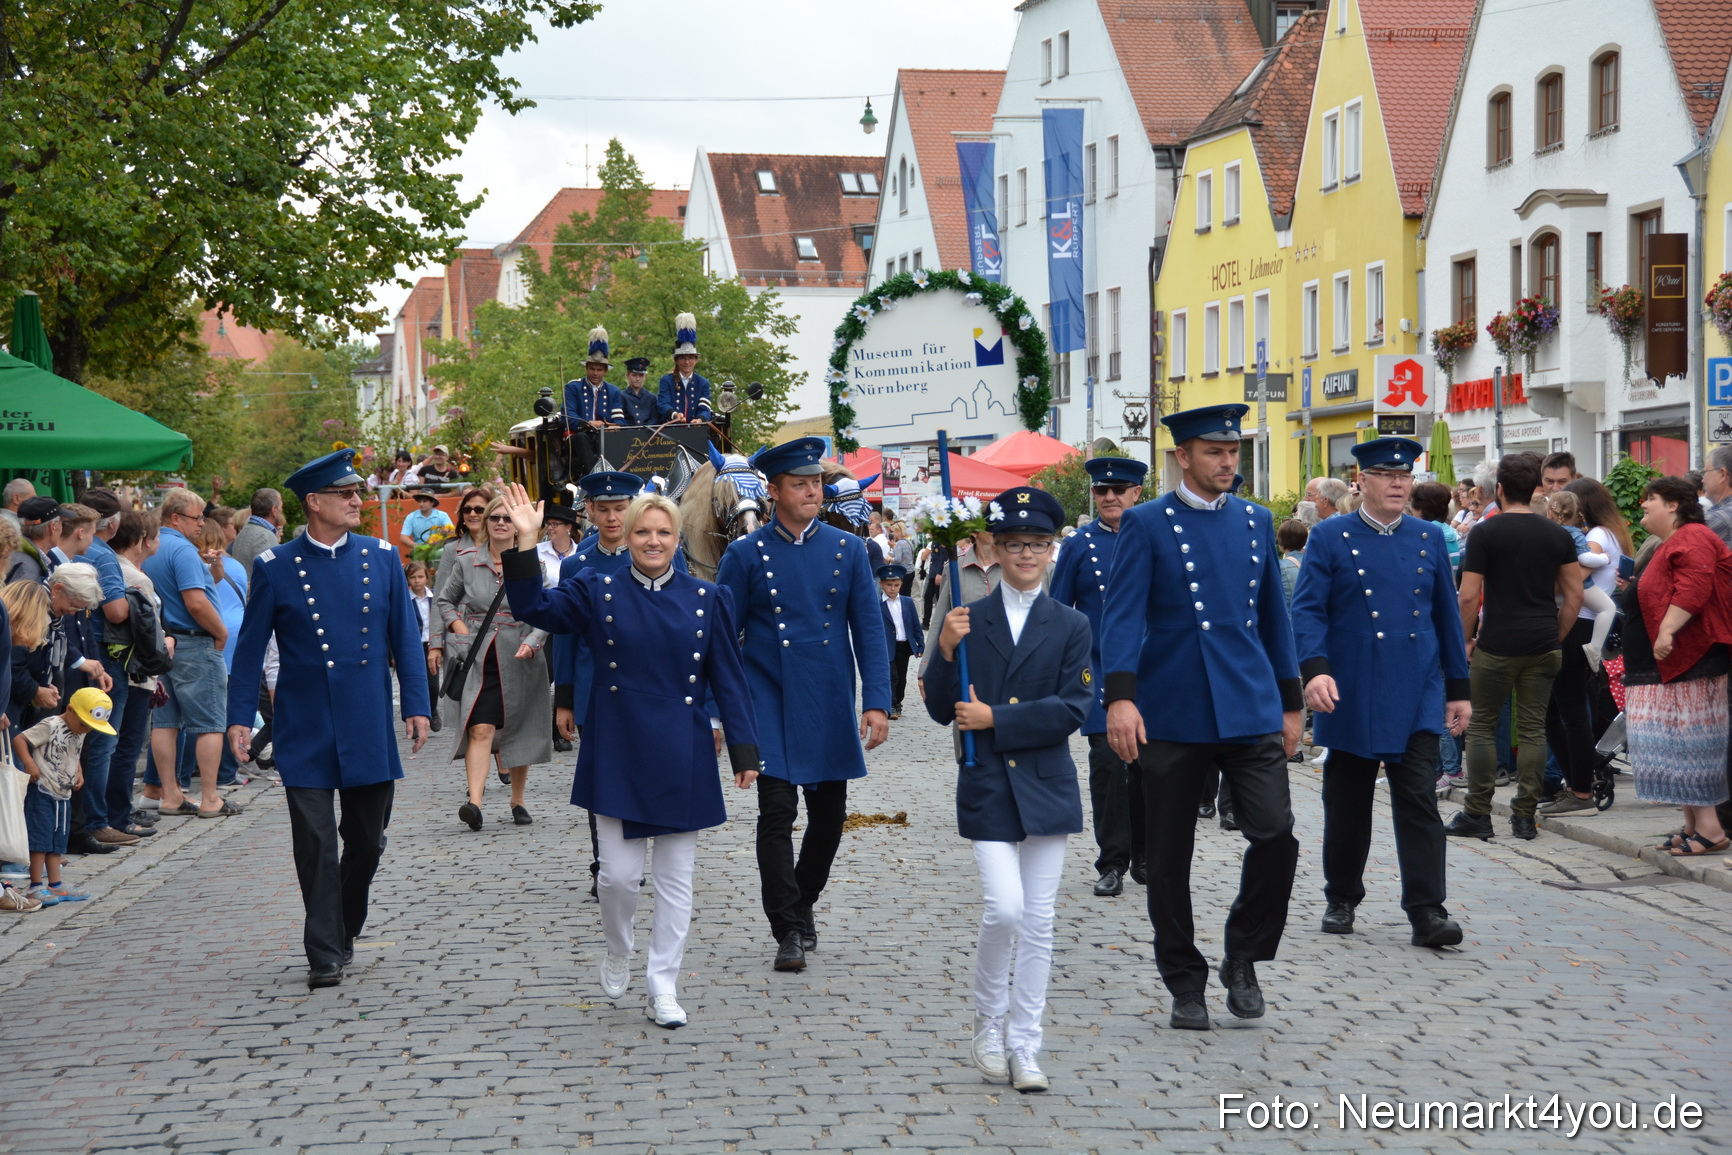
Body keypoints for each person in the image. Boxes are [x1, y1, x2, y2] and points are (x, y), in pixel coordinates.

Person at [499, 485, 760, 1028]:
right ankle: (619, 947)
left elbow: (730, 681)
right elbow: (532, 607)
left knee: (675, 879)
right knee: (616, 878)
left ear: (677, 538)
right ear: (624, 533)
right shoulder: (597, 589)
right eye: (643, 531)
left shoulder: (708, 599)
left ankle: (663, 984)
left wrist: (743, 749)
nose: (653, 541)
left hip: (682, 750)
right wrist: (525, 542)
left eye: (664, 532)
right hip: (618, 746)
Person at [1100, 403, 1301, 1032]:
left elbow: (1273, 616)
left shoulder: (1254, 520)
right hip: (1173, 706)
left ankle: (1243, 954)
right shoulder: (1146, 522)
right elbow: (1123, 615)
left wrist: (1290, 701)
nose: (1227, 462)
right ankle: (1184, 982)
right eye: (1214, 452)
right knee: (1168, 857)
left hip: (1246, 704)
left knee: (1276, 835)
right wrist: (1121, 698)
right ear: (1182, 456)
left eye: (1234, 451)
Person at [226, 448, 431, 988]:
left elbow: (405, 639)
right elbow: (249, 649)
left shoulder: (383, 558)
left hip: (365, 719)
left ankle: (345, 922)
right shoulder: (276, 566)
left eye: (358, 493)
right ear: (314, 503)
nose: (358, 502)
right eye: (346, 495)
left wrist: (416, 705)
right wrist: (239, 716)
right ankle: (323, 948)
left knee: (366, 840)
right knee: (315, 841)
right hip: (306, 722)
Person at [923, 485, 1089, 1094]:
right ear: (994, 546)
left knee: (1040, 921)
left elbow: (1073, 707)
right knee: (1006, 907)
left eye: (1038, 544)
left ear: (1051, 551)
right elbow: (943, 709)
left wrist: (998, 719)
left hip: (1046, 785)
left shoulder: (1071, 624)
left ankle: (1027, 1043)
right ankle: (988, 1023)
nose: (1027, 554)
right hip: (988, 782)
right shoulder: (969, 617)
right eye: (1016, 543)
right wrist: (943, 653)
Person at [716, 436, 891, 973]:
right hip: (765, 696)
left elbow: (868, 629)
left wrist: (878, 702)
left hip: (826, 695)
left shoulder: (848, 549)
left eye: (816, 482)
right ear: (774, 491)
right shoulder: (744, 554)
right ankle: (788, 927)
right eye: (800, 484)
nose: (813, 491)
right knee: (776, 813)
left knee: (829, 817)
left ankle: (804, 901)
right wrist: (717, 711)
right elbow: (722, 637)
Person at [1290, 438, 1471, 948]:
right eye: (1386, 474)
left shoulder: (1428, 537)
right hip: (1349, 687)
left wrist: (1458, 687)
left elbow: (1445, 615)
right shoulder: (1328, 536)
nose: (1397, 483)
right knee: (1346, 801)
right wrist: (1315, 671)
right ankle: (1341, 895)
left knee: (1418, 800)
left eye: (1405, 475)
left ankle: (1427, 909)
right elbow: (1308, 611)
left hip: (1415, 686)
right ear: (1361, 480)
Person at [549, 471, 691, 889]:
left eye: (620, 507)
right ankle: (605, 863)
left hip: (655, 688)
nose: (612, 517)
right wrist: (565, 699)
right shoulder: (577, 564)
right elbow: (566, 635)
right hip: (598, 691)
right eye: (603, 509)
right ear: (588, 512)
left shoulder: (662, 553)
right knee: (603, 777)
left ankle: (651, 851)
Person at [1447, 454, 1581, 841]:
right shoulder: (1557, 535)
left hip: (1497, 644)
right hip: (1542, 642)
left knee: (1483, 728)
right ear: (1538, 488)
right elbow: (1574, 596)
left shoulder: (1486, 533)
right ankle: (1524, 817)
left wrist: (1466, 640)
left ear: (1500, 490)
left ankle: (1478, 813)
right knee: (1534, 729)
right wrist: (1555, 635)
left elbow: (1469, 597)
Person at [1048, 455, 1147, 898]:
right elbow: (1057, 610)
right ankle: (1112, 861)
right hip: (1099, 671)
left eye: (1118, 490)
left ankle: (1146, 853)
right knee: (1108, 764)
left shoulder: (1155, 536)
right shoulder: (1079, 544)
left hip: (1150, 669)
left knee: (1148, 768)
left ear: (1136, 493)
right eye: (1101, 491)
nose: (1109, 497)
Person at [1622, 476, 1732, 857]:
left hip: (1690, 661)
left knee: (1689, 746)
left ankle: (1710, 828)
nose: (1643, 506)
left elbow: (1695, 587)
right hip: (1669, 667)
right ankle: (1693, 825)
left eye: (1649, 499)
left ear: (1673, 505)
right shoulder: (1675, 541)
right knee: (1672, 748)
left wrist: (1667, 632)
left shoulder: (1694, 535)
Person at [435, 495, 551, 830]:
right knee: (480, 726)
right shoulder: (467, 560)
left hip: (519, 655)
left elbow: (543, 612)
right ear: (485, 524)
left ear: (518, 526)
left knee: (519, 726)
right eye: (494, 518)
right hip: (479, 655)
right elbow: (445, 600)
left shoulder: (532, 565)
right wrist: (458, 627)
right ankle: (474, 802)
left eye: (507, 518)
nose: (500, 523)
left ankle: (517, 800)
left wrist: (532, 642)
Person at [143, 487, 235, 820]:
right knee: (209, 723)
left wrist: (213, 576)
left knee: (165, 722)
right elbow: (195, 603)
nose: (202, 525)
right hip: (194, 643)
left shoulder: (153, 546)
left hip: (162, 642)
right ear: (176, 517)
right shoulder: (182, 550)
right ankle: (210, 798)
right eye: (197, 518)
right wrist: (221, 632)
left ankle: (170, 795)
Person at [15, 687, 115, 906]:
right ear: (70, 709)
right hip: (42, 790)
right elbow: (21, 740)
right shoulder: (51, 725)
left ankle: (56, 884)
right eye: (84, 724)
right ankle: (35, 886)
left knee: (58, 840)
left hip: (63, 793)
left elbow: (74, 754)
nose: (86, 730)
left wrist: (78, 772)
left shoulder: (78, 730)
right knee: (40, 840)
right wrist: (30, 764)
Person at [105, 512, 164, 840]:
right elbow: (149, 631)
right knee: (127, 746)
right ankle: (119, 813)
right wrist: (165, 647)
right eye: (155, 536)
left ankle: (120, 808)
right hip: (135, 672)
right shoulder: (135, 578)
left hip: (127, 670)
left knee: (121, 746)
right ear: (143, 539)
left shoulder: (122, 569)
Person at [1565, 477, 1631, 671]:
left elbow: (1576, 575)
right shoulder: (1611, 531)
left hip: (1582, 619)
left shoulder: (1596, 535)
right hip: (1589, 619)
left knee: (1569, 691)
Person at [877, 564, 922, 719]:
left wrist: (920, 643)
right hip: (886, 646)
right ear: (881, 584)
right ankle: (890, 703)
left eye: (896, 585)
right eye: (889, 585)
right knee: (892, 676)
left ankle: (898, 703)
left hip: (903, 645)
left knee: (902, 678)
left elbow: (915, 624)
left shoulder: (907, 602)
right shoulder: (878, 605)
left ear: (901, 584)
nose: (892, 589)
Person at [404, 560, 442, 734]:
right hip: (412, 646)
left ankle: (432, 710)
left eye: (420, 577)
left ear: (427, 578)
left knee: (433, 683)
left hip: (431, 644)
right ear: (407, 580)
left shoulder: (435, 598)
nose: (417, 581)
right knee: (414, 682)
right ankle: (417, 719)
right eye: (413, 577)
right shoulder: (404, 599)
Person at [656, 313, 712, 424]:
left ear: (696, 360)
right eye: (682, 358)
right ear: (676, 360)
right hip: (671, 431)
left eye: (691, 358)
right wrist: (675, 415)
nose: (687, 362)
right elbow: (663, 404)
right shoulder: (666, 381)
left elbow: (705, 409)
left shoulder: (703, 383)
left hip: (695, 431)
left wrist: (699, 419)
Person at [566, 328, 626, 427]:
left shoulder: (613, 391)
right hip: (581, 433)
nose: (595, 373)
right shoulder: (573, 387)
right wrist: (588, 424)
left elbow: (619, 418)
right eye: (592, 369)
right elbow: (569, 415)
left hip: (605, 435)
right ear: (586, 368)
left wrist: (616, 425)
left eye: (599, 370)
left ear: (605, 371)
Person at [230, 489, 283, 580]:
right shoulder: (265, 536)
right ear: (274, 510)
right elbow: (271, 576)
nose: (282, 510)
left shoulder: (244, 531)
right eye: (281, 506)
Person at [9, 496, 62, 583]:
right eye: (62, 523)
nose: (62, 528)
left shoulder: (22, 556)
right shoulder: (28, 569)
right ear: (52, 527)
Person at [617, 356, 660, 425]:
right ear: (627, 375)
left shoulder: (651, 397)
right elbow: (620, 419)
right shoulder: (621, 396)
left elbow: (654, 419)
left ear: (645, 377)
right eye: (634, 375)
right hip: (627, 433)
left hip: (648, 433)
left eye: (641, 375)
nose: (637, 379)